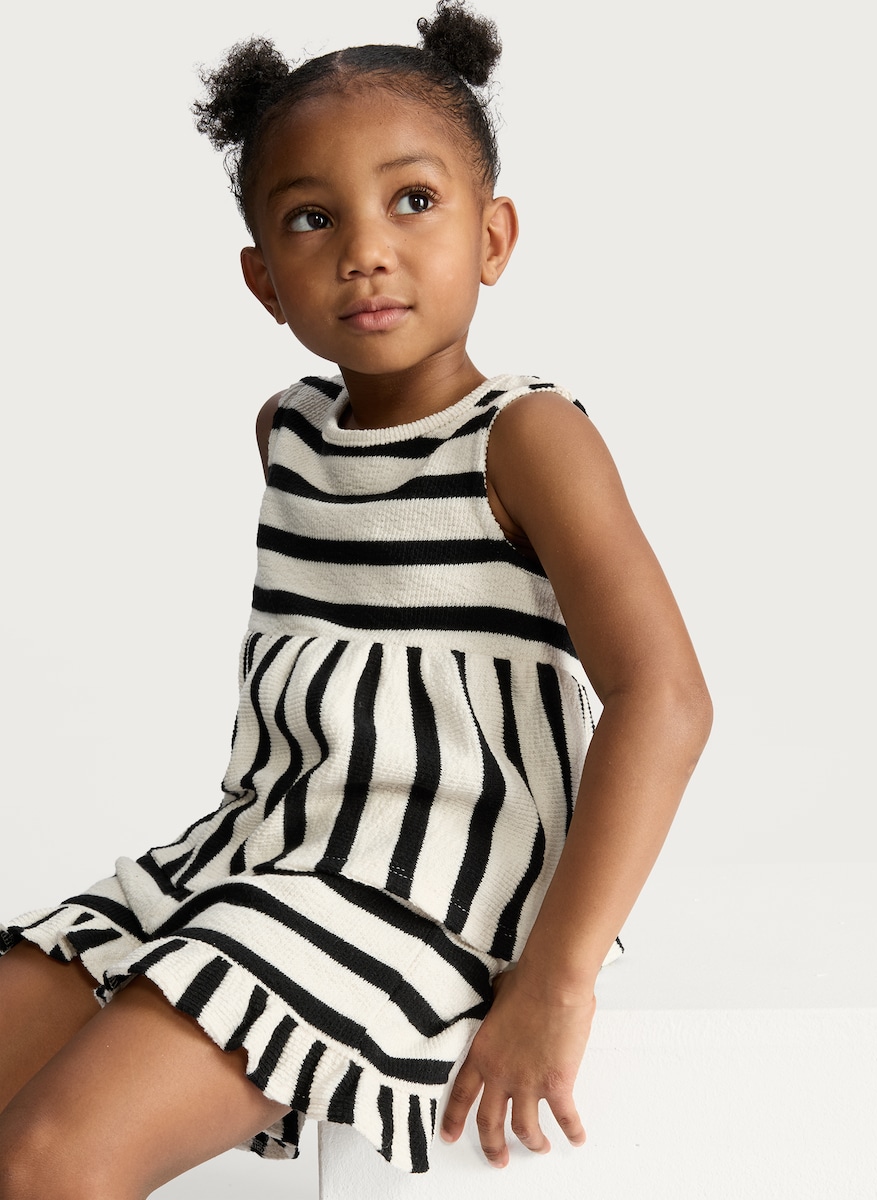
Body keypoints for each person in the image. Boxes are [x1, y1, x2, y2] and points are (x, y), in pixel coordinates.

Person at [0, 2, 712, 1194]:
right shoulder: (288, 433)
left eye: (412, 201)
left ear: (493, 236)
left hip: (427, 889)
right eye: (311, 219)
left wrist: (557, 976)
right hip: (262, 850)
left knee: (49, 1161)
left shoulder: (525, 437)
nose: (364, 251)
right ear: (262, 279)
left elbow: (667, 699)